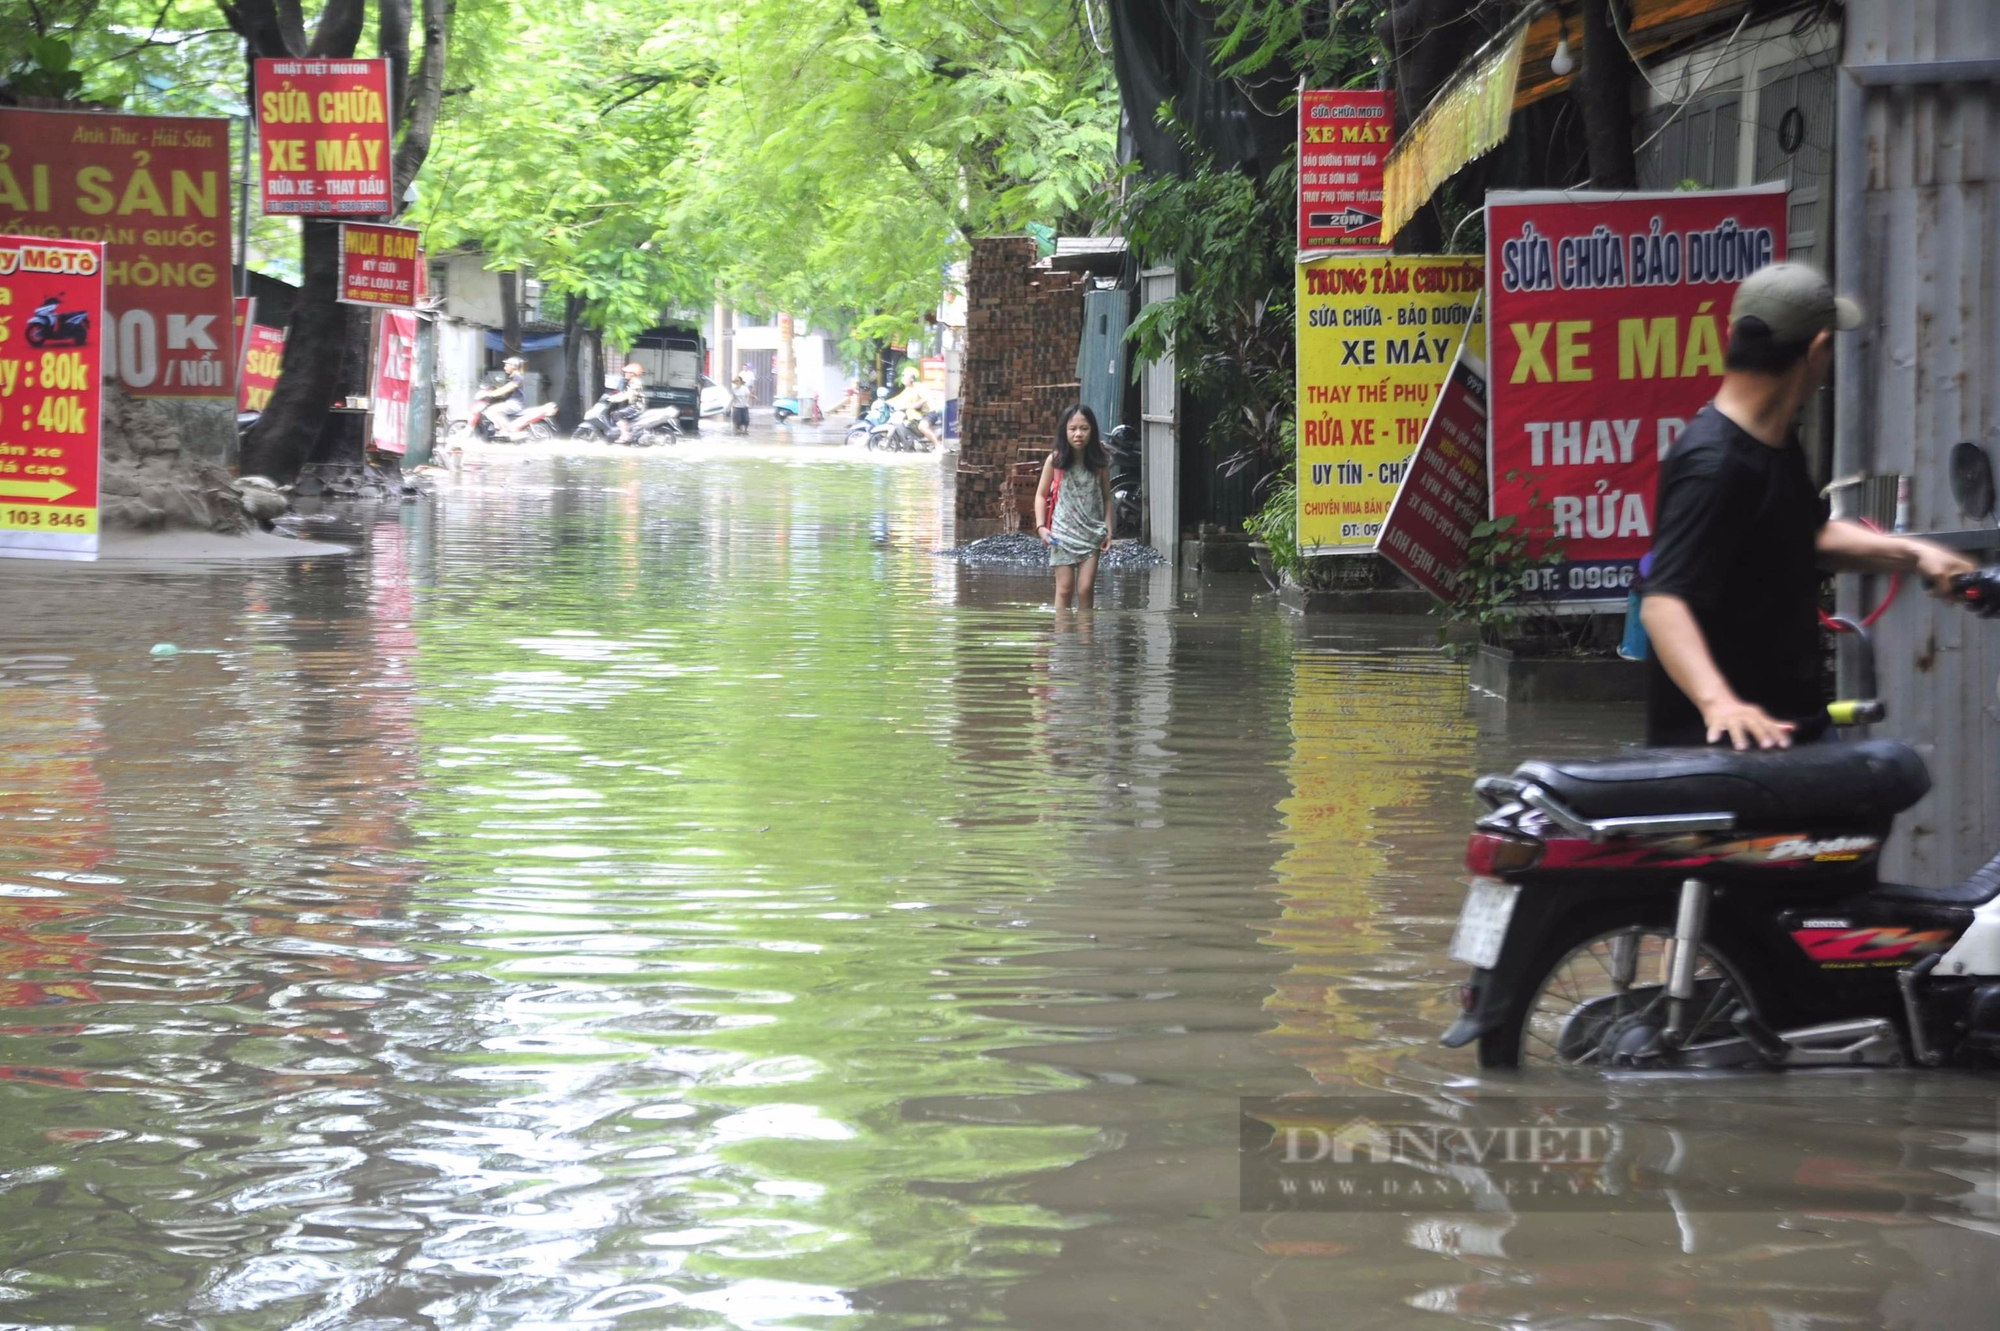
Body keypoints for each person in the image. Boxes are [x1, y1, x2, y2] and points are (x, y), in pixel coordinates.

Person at [1639, 263, 1975, 750]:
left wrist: (1914, 553)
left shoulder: (1770, 441)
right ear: (1818, 350)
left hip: (1788, 728)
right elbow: (1663, 601)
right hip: (1726, 749)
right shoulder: (1715, 464)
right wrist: (1719, 703)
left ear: (1729, 332)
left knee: (1879, 791)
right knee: (1889, 777)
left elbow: (1808, 534)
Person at [1034, 404, 1115, 610]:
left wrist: (1108, 531)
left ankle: (1085, 639)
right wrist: (1041, 527)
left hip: (1091, 533)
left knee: (1085, 588)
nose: (1078, 434)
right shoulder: (1055, 460)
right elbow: (1041, 495)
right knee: (1064, 589)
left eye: (1084, 428)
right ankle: (1062, 639)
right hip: (1062, 534)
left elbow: (1107, 498)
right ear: (1065, 431)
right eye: (1073, 429)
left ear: (1092, 431)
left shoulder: (1100, 463)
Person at [889, 364, 941, 449]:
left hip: (929, 413)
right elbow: (899, 398)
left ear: (911, 378)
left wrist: (916, 404)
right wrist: (888, 403)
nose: (903, 378)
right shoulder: (907, 389)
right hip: (918, 414)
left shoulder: (919, 386)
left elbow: (927, 397)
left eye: (905, 376)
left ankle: (938, 445)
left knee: (922, 427)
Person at [477, 356, 527, 436]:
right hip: (511, 402)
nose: (504, 368)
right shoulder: (512, 377)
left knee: (493, 410)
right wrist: (491, 389)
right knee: (493, 407)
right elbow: (502, 387)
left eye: (506, 365)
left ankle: (504, 431)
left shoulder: (517, 378)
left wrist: (491, 394)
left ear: (513, 366)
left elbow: (507, 389)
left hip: (515, 403)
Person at [608, 362, 647, 443]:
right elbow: (623, 393)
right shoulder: (631, 382)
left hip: (636, 407)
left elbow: (627, 395)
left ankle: (625, 436)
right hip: (634, 406)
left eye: (626, 372)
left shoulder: (635, 382)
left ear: (632, 374)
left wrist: (615, 399)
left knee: (616, 415)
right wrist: (611, 397)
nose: (625, 373)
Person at [730, 362, 754, 435]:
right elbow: (732, 398)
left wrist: (752, 397)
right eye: (736, 381)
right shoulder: (733, 389)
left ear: (741, 382)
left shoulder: (745, 388)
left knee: (746, 421)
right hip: (736, 407)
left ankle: (745, 431)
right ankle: (737, 431)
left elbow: (748, 394)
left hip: (744, 407)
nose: (737, 382)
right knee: (737, 421)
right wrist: (729, 407)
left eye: (738, 381)